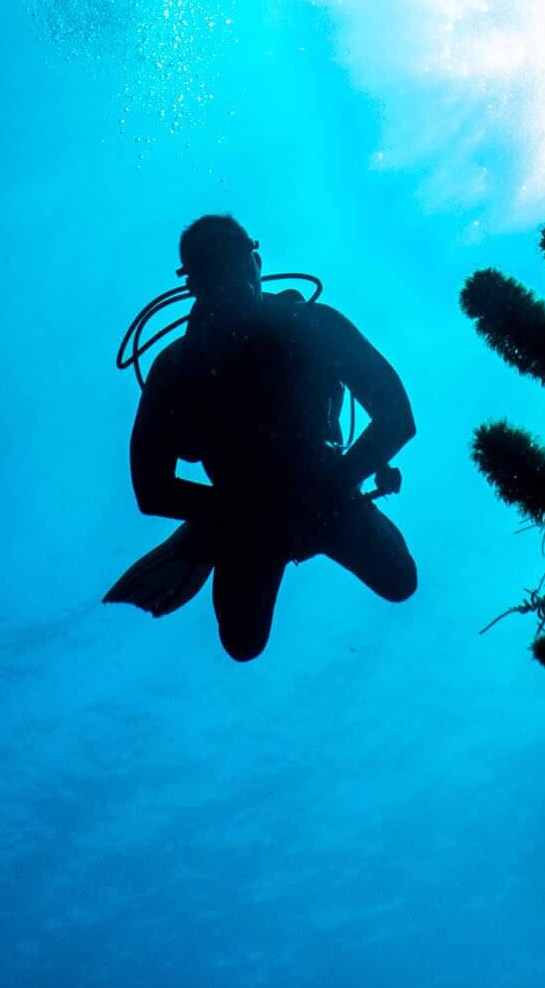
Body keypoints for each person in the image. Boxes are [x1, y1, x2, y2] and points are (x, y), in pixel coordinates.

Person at [107, 213, 417, 660]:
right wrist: (246, 512)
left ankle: (207, 534)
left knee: (400, 581)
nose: (227, 280)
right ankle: (208, 533)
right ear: (252, 262)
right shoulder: (181, 366)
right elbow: (149, 490)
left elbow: (398, 418)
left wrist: (327, 487)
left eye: (225, 265)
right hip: (261, 512)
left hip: (312, 494)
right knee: (243, 643)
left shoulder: (305, 328)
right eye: (217, 270)